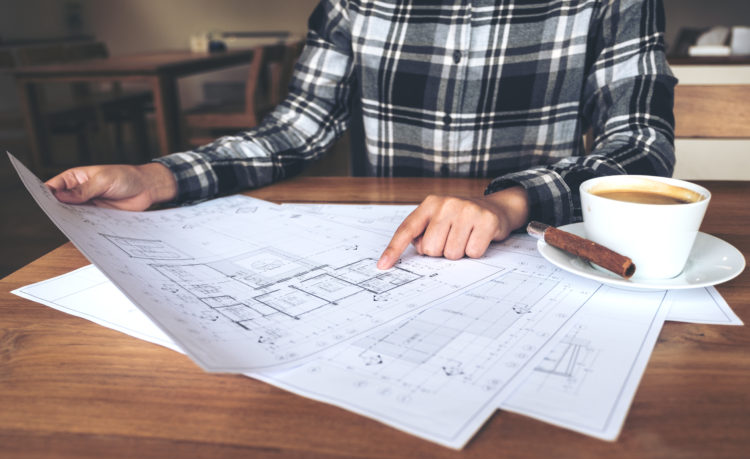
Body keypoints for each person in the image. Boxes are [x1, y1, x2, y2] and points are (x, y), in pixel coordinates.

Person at [45, 0, 676, 270]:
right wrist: (157, 178)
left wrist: (507, 202)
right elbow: (296, 129)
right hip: (389, 252)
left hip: (536, 242)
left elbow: (642, 144)